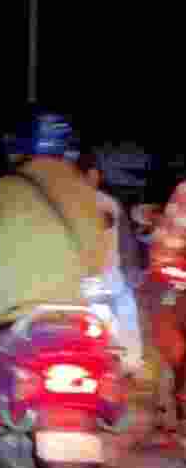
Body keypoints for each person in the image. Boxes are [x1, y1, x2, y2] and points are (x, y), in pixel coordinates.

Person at [0, 111, 111, 461]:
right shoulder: (87, 195)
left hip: (6, 316)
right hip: (72, 320)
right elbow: (98, 263)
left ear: (19, 149)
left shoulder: (6, 190)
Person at [78, 153, 146, 376]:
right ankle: (131, 366)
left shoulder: (64, 204)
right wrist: (134, 278)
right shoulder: (109, 202)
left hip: (83, 286)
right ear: (92, 174)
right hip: (110, 283)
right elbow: (127, 250)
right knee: (127, 312)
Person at [144, 174, 186, 442]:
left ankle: (169, 411)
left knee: (167, 342)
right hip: (174, 282)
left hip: (172, 283)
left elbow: (165, 248)